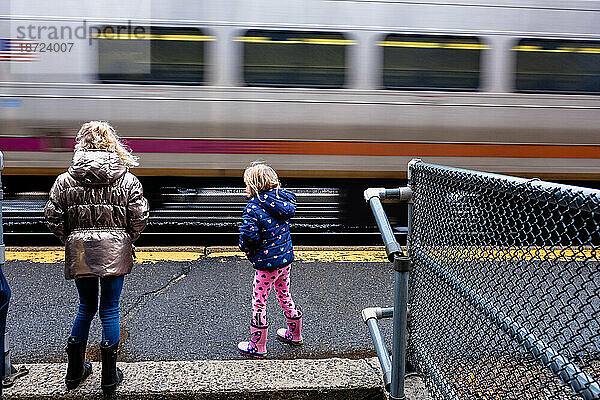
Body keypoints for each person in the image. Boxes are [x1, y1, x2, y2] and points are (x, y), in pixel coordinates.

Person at [44, 121, 149, 393]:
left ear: (81, 143)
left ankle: (74, 373)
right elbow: (139, 217)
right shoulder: (127, 179)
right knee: (110, 309)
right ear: (111, 144)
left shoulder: (65, 180)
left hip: (80, 250)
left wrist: (71, 237)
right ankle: (109, 378)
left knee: (85, 307)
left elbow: (52, 216)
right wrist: (125, 239)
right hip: (114, 249)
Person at [237, 162, 303, 358]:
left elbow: (249, 237)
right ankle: (294, 334)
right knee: (284, 294)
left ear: (253, 185)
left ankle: (258, 346)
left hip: (266, 266)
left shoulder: (253, 208)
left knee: (259, 301)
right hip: (285, 260)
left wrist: (247, 250)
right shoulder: (283, 203)